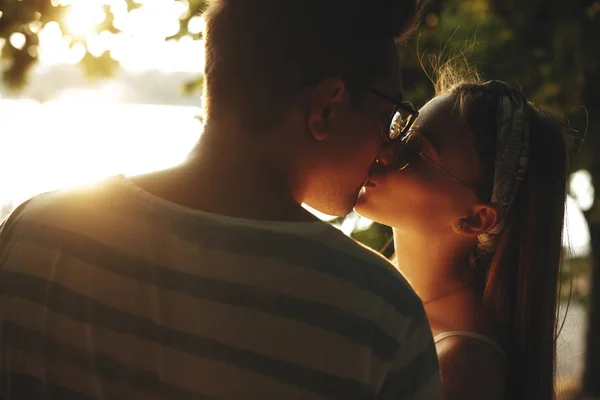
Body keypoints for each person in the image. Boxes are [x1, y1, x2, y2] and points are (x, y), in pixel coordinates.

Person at [0, 0, 444, 399]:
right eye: (391, 116)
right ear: (327, 106)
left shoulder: (34, 233)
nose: (389, 147)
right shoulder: (378, 314)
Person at [356, 77, 570, 400]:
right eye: (400, 131)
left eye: (416, 151)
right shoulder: (378, 295)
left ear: (475, 218)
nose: (384, 149)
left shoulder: (461, 369)